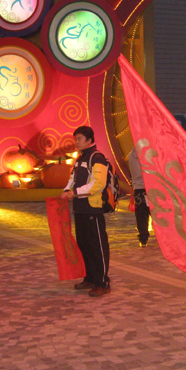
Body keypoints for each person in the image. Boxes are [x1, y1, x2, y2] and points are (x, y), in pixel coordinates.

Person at [61, 125, 111, 297]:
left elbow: (99, 183)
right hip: (80, 208)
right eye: (75, 139)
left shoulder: (97, 158)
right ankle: (90, 277)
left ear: (89, 140)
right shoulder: (80, 158)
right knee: (84, 245)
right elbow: (72, 178)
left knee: (97, 246)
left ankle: (102, 282)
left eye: (79, 139)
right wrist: (67, 190)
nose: (76, 142)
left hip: (92, 208)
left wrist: (74, 193)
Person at [128, 146, 150, 248]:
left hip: (139, 189)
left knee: (141, 215)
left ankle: (143, 239)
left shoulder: (132, 155)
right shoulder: (147, 152)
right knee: (156, 213)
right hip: (150, 187)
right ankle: (165, 238)